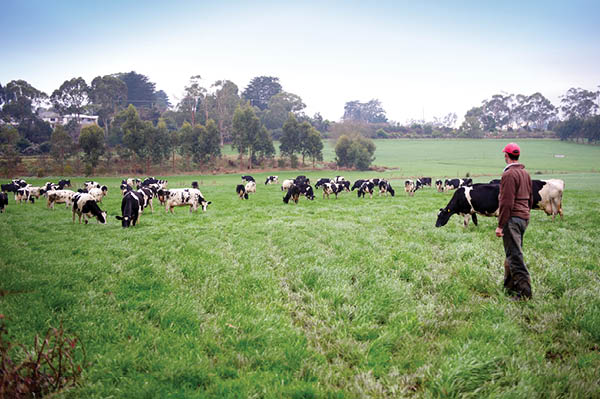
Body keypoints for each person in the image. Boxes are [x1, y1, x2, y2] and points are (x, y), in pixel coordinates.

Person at [495, 142, 533, 299]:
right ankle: (509, 286)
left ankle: (524, 293)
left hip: (512, 219)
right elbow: (531, 198)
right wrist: (526, 213)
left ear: (506, 156)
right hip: (524, 217)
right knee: (512, 253)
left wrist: (500, 225)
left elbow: (506, 202)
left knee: (515, 256)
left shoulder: (509, 175)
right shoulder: (525, 173)